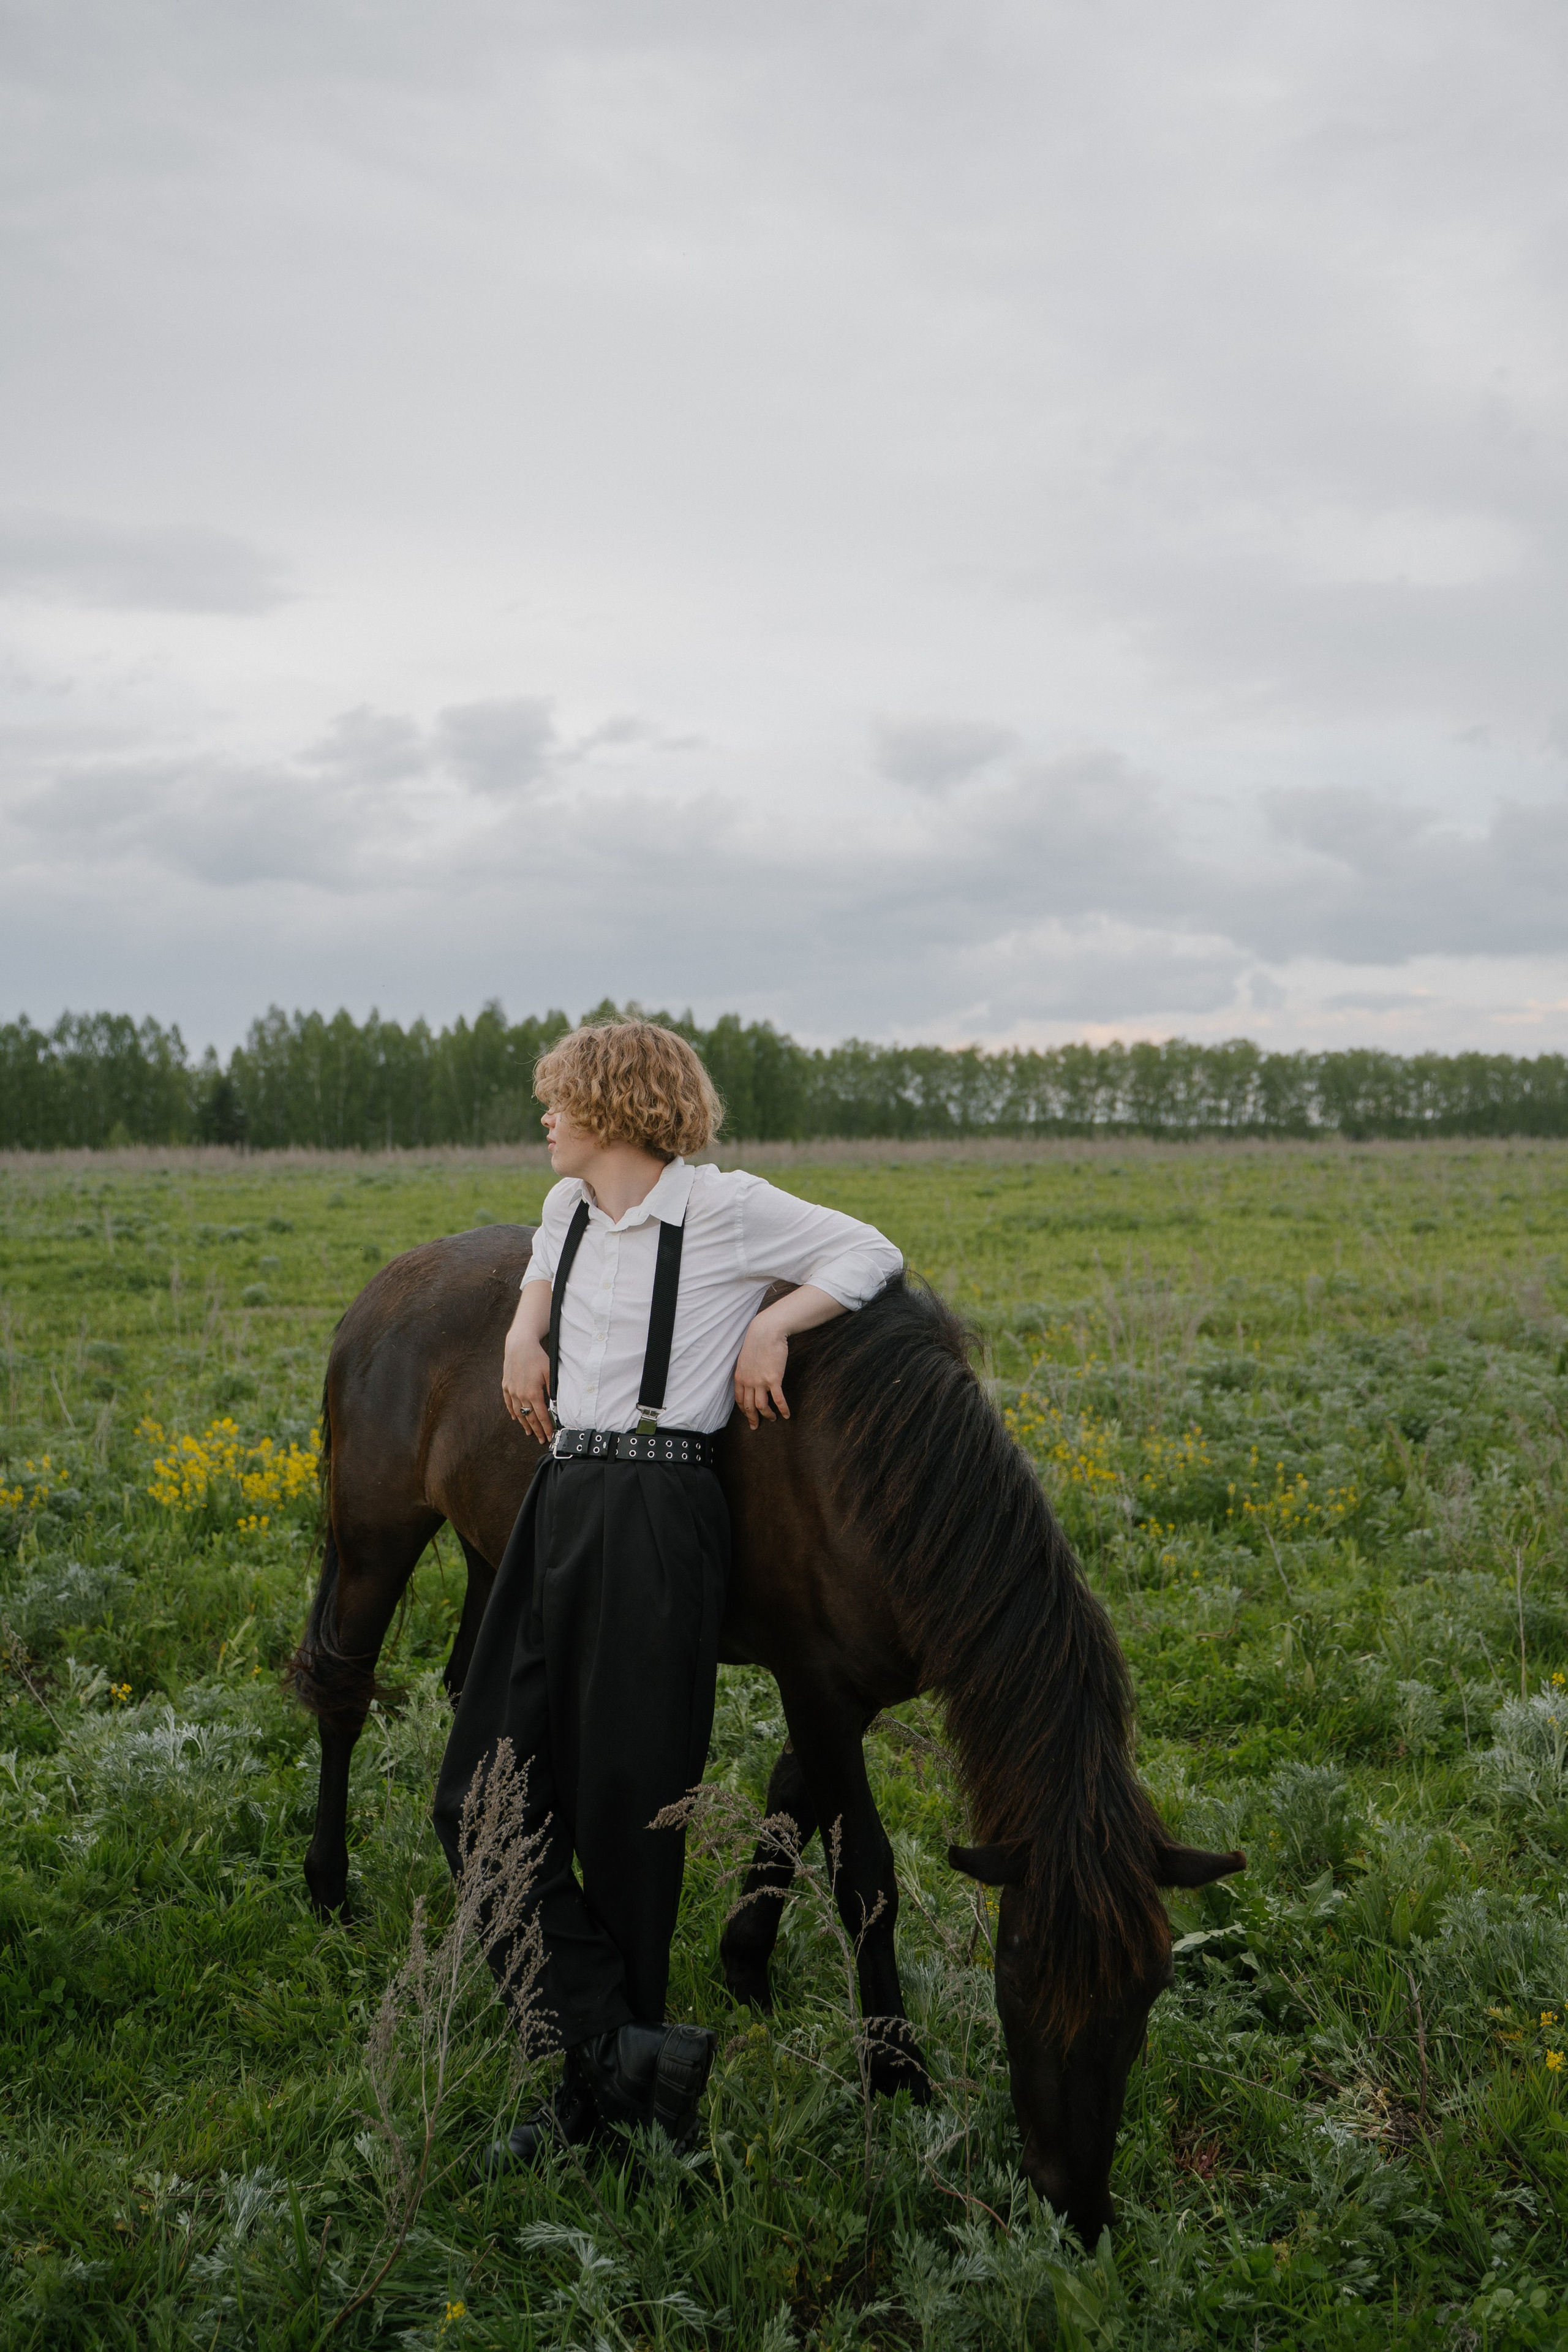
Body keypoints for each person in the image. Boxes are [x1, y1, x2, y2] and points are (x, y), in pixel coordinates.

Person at [432, 1018, 902, 2170]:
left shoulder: (726, 1208)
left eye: (561, 1098)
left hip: (660, 1506)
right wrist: (522, 1331)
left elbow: (870, 1251)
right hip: (559, 1496)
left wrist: (772, 1324)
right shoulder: (566, 1210)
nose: (546, 1115)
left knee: (627, 1811)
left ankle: (603, 2103)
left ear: (615, 1107)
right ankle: (619, 2049)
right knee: (474, 1795)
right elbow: (540, 1270)